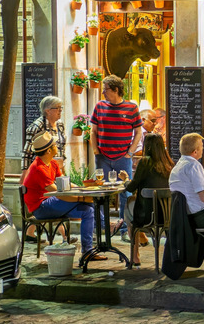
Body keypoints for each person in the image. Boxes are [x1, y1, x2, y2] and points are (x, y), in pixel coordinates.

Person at [23, 131, 108, 261]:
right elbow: (59, 193)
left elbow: (65, 183)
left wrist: (82, 188)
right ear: (48, 151)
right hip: (41, 208)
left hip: (54, 203)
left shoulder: (52, 163)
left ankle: (87, 251)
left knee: (88, 211)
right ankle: (105, 225)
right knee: (87, 201)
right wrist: (82, 197)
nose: (57, 146)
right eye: (54, 145)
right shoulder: (38, 168)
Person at [90, 75, 143, 242]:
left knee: (126, 193)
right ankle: (102, 228)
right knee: (100, 192)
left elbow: (139, 132)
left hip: (122, 157)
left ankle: (124, 230)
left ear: (116, 90)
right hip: (103, 157)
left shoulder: (131, 108)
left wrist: (130, 152)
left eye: (105, 89)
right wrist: (95, 151)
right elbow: (93, 131)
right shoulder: (99, 106)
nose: (103, 92)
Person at [20, 95, 68, 244]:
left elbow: (61, 146)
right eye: (57, 108)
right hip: (43, 167)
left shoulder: (59, 125)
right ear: (47, 110)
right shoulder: (37, 126)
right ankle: (64, 236)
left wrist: (62, 164)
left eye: (61, 108)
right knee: (54, 196)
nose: (60, 111)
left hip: (55, 166)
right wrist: (24, 175)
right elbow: (28, 152)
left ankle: (31, 234)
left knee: (57, 193)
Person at [124, 133, 173, 266]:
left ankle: (135, 257)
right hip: (167, 216)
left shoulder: (145, 162)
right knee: (132, 207)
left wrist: (125, 180)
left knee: (128, 209)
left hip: (146, 216)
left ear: (147, 146)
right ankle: (144, 240)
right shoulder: (169, 163)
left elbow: (131, 187)